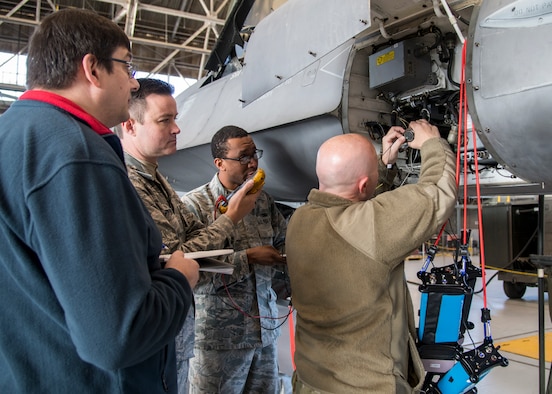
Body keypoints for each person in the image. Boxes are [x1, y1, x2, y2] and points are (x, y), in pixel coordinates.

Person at [0, 9, 202, 393]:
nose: (132, 82)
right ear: (92, 69)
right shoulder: (77, 155)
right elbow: (119, 336)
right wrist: (179, 278)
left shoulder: (12, 134)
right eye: (127, 66)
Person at [286, 120, 457, 393]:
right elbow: (437, 193)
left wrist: (383, 165)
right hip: (366, 385)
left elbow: (356, 203)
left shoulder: (300, 220)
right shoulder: (368, 227)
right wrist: (432, 144)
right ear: (364, 184)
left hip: (310, 380)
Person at [115, 78, 259, 393]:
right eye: (165, 120)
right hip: (157, 335)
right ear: (130, 125)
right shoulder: (131, 184)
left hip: (177, 329)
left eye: (175, 118)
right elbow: (178, 258)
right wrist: (231, 218)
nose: (177, 129)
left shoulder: (157, 179)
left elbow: (195, 239)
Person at [180, 126, 288, 393]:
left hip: (264, 335)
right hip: (219, 340)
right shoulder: (195, 205)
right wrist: (248, 258)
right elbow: (190, 269)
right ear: (219, 163)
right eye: (243, 157)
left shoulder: (263, 202)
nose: (252, 163)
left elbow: (284, 242)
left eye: (255, 155)